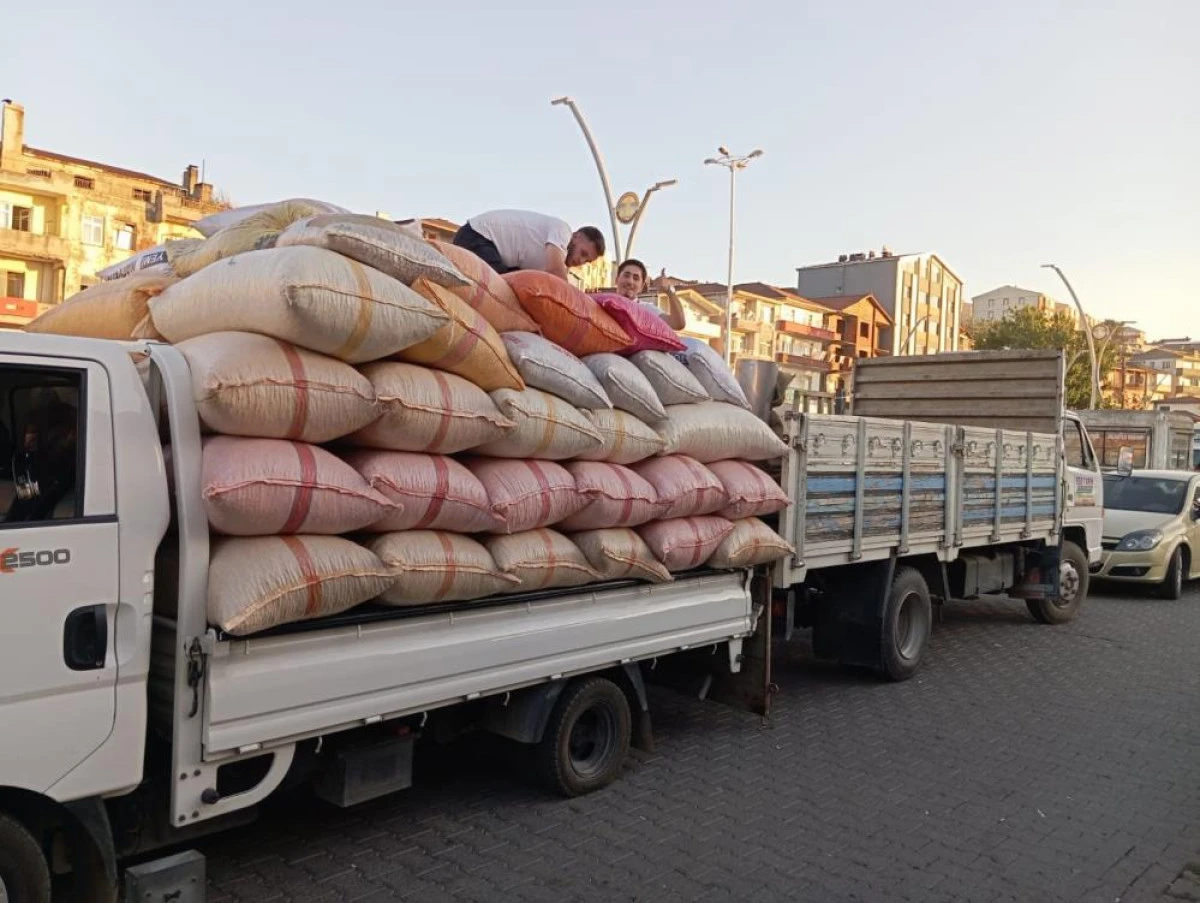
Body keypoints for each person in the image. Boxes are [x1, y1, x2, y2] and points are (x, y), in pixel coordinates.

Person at [452, 210, 605, 281]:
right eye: (583, 253)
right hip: (477, 235)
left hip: (495, 253)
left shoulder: (545, 263)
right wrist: (578, 302)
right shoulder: (562, 230)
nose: (581, 262)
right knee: (503, 289)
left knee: (518, 284)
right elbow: (555, 270)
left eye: (587, 261)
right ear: (576, 236)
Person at [613, 259, 687, 331]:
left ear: (641, 287)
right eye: (626, 276)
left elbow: (677, 324)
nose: (630, 281)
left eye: (636, 278)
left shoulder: (648, 310)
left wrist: (669, 291)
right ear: (616, 279)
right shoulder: (603, 303)